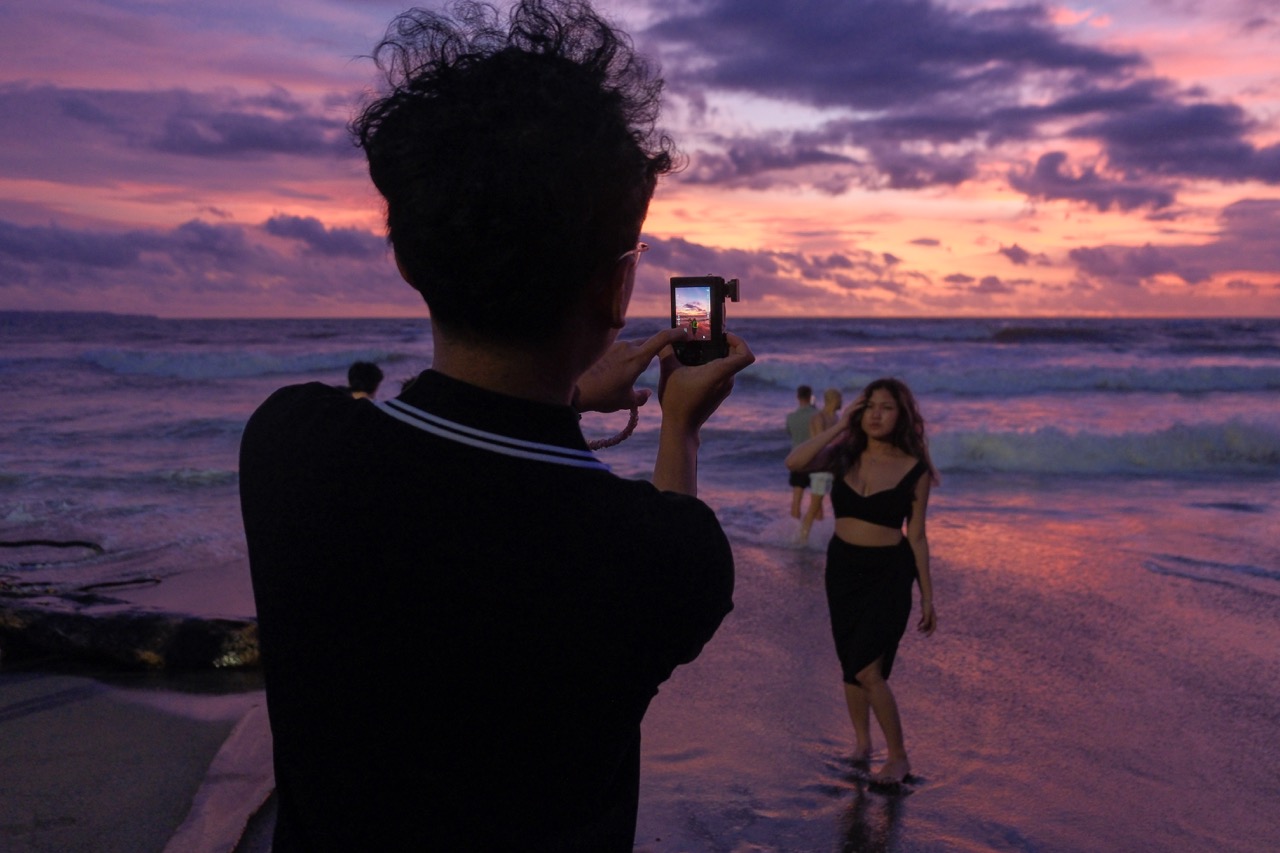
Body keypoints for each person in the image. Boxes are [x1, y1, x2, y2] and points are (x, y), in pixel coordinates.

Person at [239, 2, 754, 850]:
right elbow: (655, 540)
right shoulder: (664, 560)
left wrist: (570, 399)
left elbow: (457, 472)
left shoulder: (291, 446)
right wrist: (679, 429)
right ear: (614, 290)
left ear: (405, 255)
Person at [785, 378, 938, 786]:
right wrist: (839, 426)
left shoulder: (915, 469)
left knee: (870, 670)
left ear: (902, 415)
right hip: (843, 568)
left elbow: (918, 535)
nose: (875, 413)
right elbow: (794, 463)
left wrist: (927, 597)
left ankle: (899, 757)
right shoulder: (842, 456)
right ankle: (861, 744)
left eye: (886, 407)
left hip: (890, 572)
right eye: (868, 406)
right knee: (850, 664)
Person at [797, 387, 842, 542]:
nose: (842, 402)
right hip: (821, 468)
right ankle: (802, 539)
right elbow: (819, 442)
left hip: (835, 468)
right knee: (814, 506)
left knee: (835, 506)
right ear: (833, 400)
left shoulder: (837, 418)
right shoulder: (818, 418)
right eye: (839, 399)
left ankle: (819, 538)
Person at [786, 385, 816, 518]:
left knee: (796, 500)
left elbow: (790, 434)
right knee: (817, 503)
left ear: (798, 397)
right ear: (810, 397)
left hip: (797, 458)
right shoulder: (817, 414)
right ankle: (817, 534)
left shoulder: (791, 417)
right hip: (815, 459)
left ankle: (795, 535)